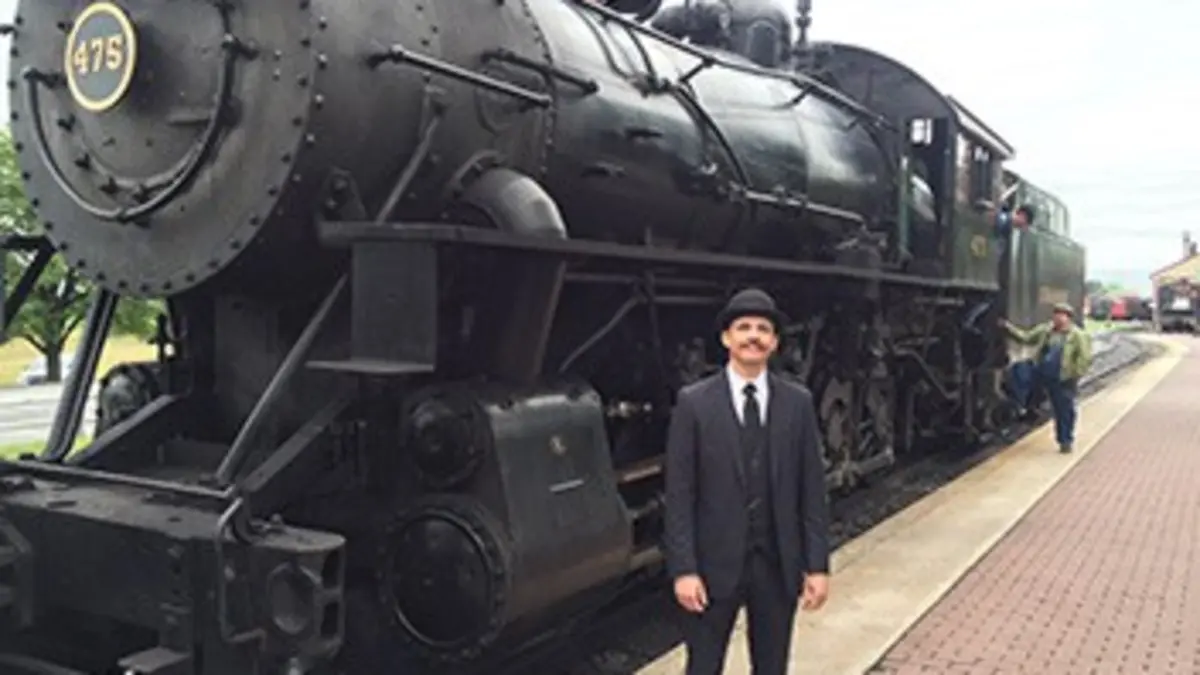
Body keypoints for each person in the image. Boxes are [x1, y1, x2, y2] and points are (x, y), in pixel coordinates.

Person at [663, 287, 831, 675]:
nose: (753, 336)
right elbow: (680, 494)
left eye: (763, 329)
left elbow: (812, 491)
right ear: (726, 338)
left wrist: (817, 565)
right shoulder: (694, 403)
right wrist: (684, 569)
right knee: (703, 667)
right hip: (711, 568)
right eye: (743, 328)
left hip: (776, 566)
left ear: (774, 342)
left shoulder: (798, 403)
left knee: (772, 668)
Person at [1001, 302, 1093, 453]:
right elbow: (1026, 337)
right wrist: (1008, 328)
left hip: (1062, 377)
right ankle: (1023, 408)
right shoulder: (1046, 330)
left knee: (1064, 410)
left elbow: (1085, 358)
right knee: (1019, 371)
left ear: (1068, 318)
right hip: (1043, 372)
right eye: (1056, 314)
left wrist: (1074, 374)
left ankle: (1065, 440)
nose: (1058, 318)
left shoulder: (1078, 336)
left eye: (1062, 315)